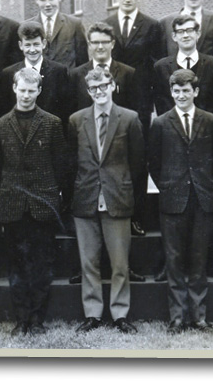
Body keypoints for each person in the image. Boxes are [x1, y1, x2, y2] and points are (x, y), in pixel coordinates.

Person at [0, 68, 68, 336]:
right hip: (13, 206)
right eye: (22, 90)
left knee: (41, 264)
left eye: (31, 91)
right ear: (14, 89)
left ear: (39, 91)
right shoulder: (0, 125)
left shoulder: (52, 123)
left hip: (41, 205)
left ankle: (37, 319)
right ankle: (21, 318)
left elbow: (60, 166)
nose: (26, 95)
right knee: (17, 265)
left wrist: (55, 199)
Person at [68, 66, 145, 334]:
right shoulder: (77, 120)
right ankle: (92, 313)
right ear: (88, 92)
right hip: (86, 196)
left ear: (113, 86)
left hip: (117, 197)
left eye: (103, 86)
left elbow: (137, 164)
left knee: (119, 262)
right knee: (88, 261)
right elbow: (71, 162)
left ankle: (120, 313)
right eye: (93, 88)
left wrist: (129, 196)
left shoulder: (129, 118)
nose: (99, 92)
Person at [148, 69, 213, 333]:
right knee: (175, 258)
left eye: (186, 90)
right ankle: (177, 316)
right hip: (173, 199)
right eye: (177, 91)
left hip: (202, 198)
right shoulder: (160, 123)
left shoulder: (210, 120)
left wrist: (203, 184)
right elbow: (154, 163)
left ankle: (199, 316)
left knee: (199, 258)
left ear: (196, 92)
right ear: (171, 92)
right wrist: (168, 187)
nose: (181, 95)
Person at [104, 0, 163, 132]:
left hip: (141, 96)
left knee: (140, 143)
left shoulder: (152, 25)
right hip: (112, 93)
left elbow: (156, 64)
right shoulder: (106, 24)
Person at [153, 15, 213, 122]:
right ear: (174, 36)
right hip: (172, 128)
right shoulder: (161, 67)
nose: (185, 35)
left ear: (198, 34)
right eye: (180, 31)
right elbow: (160, 103)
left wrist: (208, 126)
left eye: (190, 30)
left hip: (204, 128)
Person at [0, 20, 71, 125]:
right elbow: (5, 109)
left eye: (36, 44)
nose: (32, 50)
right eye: (27, 45)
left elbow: (65, 109)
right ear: (20, 45)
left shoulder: (59, 71)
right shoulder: (8, 74)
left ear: (44, 44)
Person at [26, 0, 88, 69]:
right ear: (36, 0)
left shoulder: (74, 24)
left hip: (66, 82)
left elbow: (83, 64)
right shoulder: (27, 26)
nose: (47, 4)